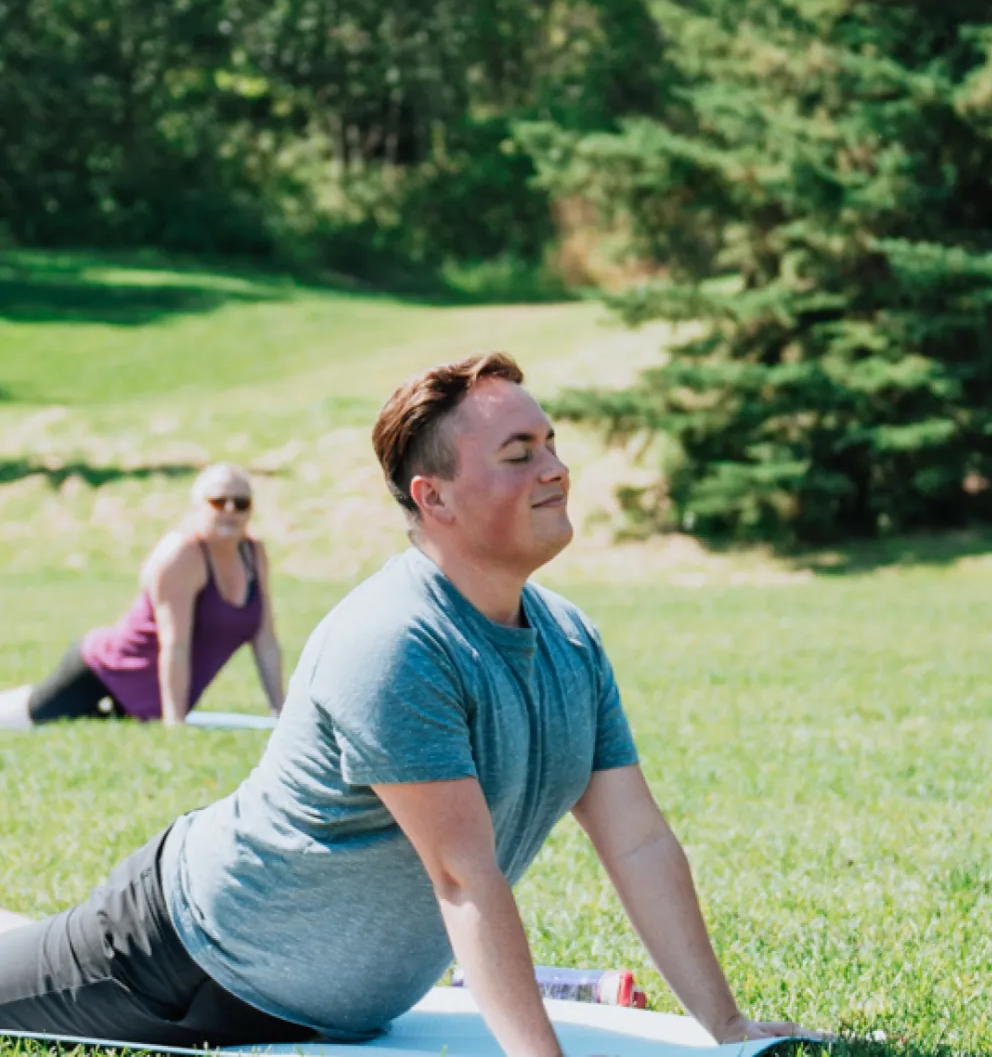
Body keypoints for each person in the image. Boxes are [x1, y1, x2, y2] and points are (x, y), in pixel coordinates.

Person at [0, 355, 827, 1050]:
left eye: (551, 443)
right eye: (518, 453)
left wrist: (730, 1029)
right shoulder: (396, 643)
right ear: (435, 497)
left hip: (323, 1003)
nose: (555, 470)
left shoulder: (571, 641)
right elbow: (464, 878)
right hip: (179, 958)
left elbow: (638, 842)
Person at [0, 463, 284, 730]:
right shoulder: (184, 555)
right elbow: (176, 644)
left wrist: (280, 712)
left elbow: (265, 640)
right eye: (219, 501)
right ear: (197, 507)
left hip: (147, 700)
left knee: (100, 728)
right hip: (106, 672)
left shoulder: (253, 553)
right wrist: (174, 723)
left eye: (241, 502)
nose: (230, 510)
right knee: (32, 717)